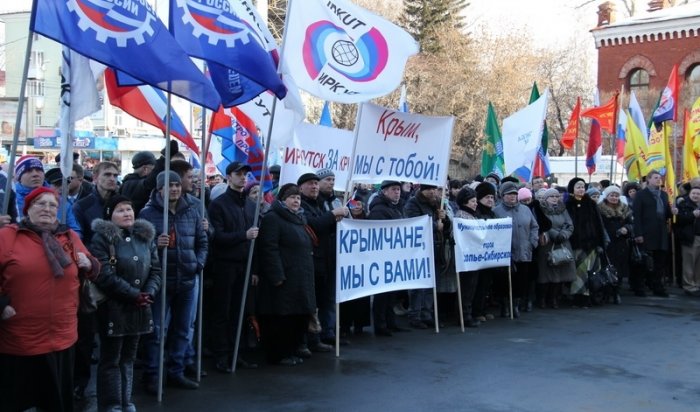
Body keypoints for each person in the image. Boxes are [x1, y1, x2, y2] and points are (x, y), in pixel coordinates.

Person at [0, 187, 99, 412]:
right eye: (40, 204)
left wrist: (90, 264)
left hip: (62, 338)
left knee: (56, 403)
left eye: (52, 205)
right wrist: (2, 305)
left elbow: (93, 266)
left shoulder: (69, 236)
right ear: (28, 208)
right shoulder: (7, 236)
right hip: (20, 340)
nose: (47, 209)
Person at [90, 195, 161, 412]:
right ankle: (111, 404)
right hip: (113, 307)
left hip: (139, 306)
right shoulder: (101, 239)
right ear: (110, 215)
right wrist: (133, 294)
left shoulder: (145, 237)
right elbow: (103, 275)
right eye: (120, 210)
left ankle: (125, 401)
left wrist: (148, 292)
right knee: (111, 358)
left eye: (129, 209)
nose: (127, 213)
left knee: (129, 357)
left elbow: (156, 270)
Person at [139, 171, 208, 393]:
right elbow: (139, 249)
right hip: (162, 280)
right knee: (158, 330)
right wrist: (156, 245)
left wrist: (198, 263)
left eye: (177, 185)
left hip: (188, 278)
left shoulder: (192, 210)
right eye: (170, 186)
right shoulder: (148, 213)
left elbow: (202, 241)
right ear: (160, 189)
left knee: (183, 328)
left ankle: (176, 371)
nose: (175, 189)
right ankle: (153, 374)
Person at [207, 162, 259, 373]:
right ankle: (221, 355)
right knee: (222, 311)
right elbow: (217, 236)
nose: (243, 177)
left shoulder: (250, 205)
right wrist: (242, 236)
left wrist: (254, 268)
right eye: (238, 174)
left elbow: (256, 242)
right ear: (228, 177)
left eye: (245, 174)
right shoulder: (219, 204)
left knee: (240, 311)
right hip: (225, 265)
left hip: (244, 265)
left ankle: (237, 352)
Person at [256, 183, 316, 366]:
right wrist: (277, 275)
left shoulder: (299, 219)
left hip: (300, 276)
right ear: (282, 200)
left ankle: (291, 350)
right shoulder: (273, 218)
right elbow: (269, 248)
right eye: (292, 197)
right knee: (281, 318)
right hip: (284, 278)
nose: (296, 201)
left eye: (298, 198)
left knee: (296, 317)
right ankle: (279, 354)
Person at [298, 172, 347, 352]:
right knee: (312, 302)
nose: (314, 187)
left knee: (327, 300)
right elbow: (315, 225)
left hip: (326, 258)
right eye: (311, 184)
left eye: (315, 184)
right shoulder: (302, 205)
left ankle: (325, 334)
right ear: (301, 187)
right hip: (312, 260)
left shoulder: (319, 203)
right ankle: (309, 339)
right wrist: (333, 215)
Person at [367, 181, 409, 336]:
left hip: (394, 256)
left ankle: (390, 322)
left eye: (398, 189)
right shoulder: (379, 210)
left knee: (392, 293)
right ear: (384, 191)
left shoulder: (396, 208)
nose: (397, 192)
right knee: (382, 294)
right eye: (394, 189)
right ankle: (380, 325)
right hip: (383, 257)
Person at [404, 184, 449, 328]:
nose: (432, 192)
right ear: (422, 190)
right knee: (418, 285)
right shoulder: (412, 203)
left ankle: (427, 313)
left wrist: (444, 218)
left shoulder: (436, 203)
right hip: (418, 250)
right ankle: (415, 316)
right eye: (429, 189)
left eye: (434, 189)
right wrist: (436, 226)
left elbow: (445, 226)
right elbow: (414, 224)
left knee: (431, 284)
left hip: (435, 248)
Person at [494, 182, 539, 318]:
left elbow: (534, 227)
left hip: (524, 251)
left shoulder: (525, 209)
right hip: (504, 252)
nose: (512, 196)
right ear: (502, 196)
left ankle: (515, 305)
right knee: (504, 280)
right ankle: (505, 305)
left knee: (521, 280)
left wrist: (532, 242)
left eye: (514, 193)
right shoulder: (496, 211)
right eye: (509, 194)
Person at [566, 177, 608, 307]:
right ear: (572, 189)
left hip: (591, 244)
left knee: (591, 271)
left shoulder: (591, 203)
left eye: (583, 187)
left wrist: (601, 243)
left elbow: (598, 224)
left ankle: (590, 297)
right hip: (575, 244)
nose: (581, 189)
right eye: (578, 187)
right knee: (578, 273)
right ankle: (577, 297)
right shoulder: (568, 204)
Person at [632, 170, 674, 297]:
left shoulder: (664, 195)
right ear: (648, 179)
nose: (658, 180)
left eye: (659, 178)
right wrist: (638, 233)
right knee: (643, 262)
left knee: (659, 262)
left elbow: (666, 214)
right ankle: (639, 286)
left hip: (661, 233)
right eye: (655, 178)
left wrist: (672, 212)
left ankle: (657, 286)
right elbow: (636, 215)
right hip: (646, 232)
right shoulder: (640, 195)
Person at [536, 188, 576, 308]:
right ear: (545, 199)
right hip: (547, 244)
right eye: (551, 196)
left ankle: (554, 299)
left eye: (556, 196)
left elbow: (569, 224)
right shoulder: (541, 209)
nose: (555, 198)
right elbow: (542, 225)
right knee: (545, 274)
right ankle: (542, 299)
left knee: (560, 273)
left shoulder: (562, 209)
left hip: (562, 243)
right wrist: (554, 233)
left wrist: (564, 234)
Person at [597, 186, 632, 304]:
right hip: (607, 243)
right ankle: (606, 292)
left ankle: (616, 292)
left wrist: (626, 229)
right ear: (606, 196)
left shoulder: (625, 209)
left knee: (619, 269)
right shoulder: (600, 209)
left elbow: (631, 224)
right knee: (606, 268)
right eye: (611, 195)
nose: (614, 198)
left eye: (616, 195)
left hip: (621, 243)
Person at [453, 186, 481, 327]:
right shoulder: (462, 216)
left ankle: (466, 314)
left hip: (472, 257)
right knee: (466, 288)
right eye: (473, 201)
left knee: (470, 288)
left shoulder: (471, 215)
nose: (476, 203)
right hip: (466, 258)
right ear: (465, 202)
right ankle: (464, 316)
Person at [675, 186, 700, 295]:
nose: (696, 196)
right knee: (689, 263)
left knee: (698, 264)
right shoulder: (683, 204)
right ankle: (689, 286)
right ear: (689, 194)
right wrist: (692, 215)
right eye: (694, 193)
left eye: (698, 194)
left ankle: (697, 284)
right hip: (690, 237)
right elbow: (679, 220)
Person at [119, 151, 157, 215]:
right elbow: (149, 183)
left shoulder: (128, 182)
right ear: (145, 169)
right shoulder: (133, 184)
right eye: (153, 169)